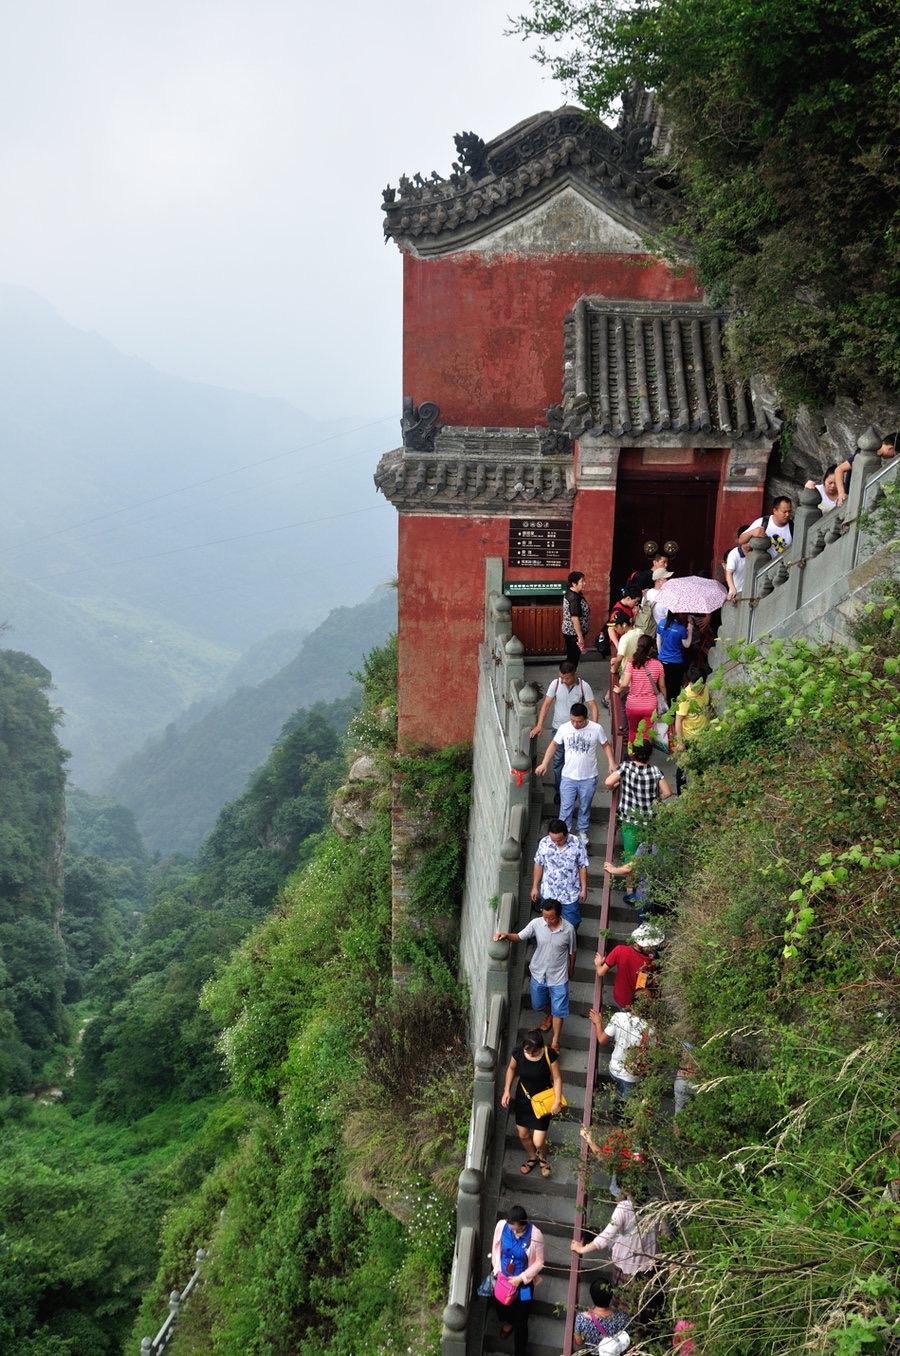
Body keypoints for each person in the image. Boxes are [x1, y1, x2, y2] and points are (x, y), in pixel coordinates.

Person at [495, 900, 577, 1050]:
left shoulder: (569, 930)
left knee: (559, 1010)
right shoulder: (536, 924)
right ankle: (550, 1014)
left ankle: (555, 1041)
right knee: (538, 1004)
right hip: (539, 973)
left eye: (551, 918)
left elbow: (572, 952)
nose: (547, 920)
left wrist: (571, 968)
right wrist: (506, 935)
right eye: (545, 917)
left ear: (559, 915)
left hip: (559, 976)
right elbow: (519, 937)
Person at [535, 702, 616, 844]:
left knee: (585, 805)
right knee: (566, 807)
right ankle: (563, 833)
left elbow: (605, 745)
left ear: (586, 718)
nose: (575, 724)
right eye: (572, 720)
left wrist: (611, 762)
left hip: (589, 776)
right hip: (568, 776)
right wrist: (544, 763)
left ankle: (582, 831)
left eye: (579, 721)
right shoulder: (564, 728)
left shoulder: (596, 728)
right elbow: (554, 745)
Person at [500, 1027, 564, 1178]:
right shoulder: (518, 1052)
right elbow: (511, 1069)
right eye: (526, 1050)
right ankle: (532, 1157)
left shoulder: (549, 1054)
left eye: (531, 1051)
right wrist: (507, 1090)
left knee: (538, 1140)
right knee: (523, 1134)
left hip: (543, 1101)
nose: (528, 1053)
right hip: (524, 1098)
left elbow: (557, 1078)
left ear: (539, 1048)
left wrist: (557, 1100)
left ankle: (543, 1159)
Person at [529, 662, 598, 800]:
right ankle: (561, 792)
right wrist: (539, 725)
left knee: (575, 759)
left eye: (566, 678)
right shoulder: (555, 684)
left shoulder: (584, 687)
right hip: (558, 729)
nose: (563, 680)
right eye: (561, 677)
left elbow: (593, 707)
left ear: (574, 674)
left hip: (577, 730)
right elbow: (546, 704)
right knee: (558, 761)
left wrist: (594, 727)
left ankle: (573, 788)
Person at [490, 1204, 545, 1354]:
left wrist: (521, 1278)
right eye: (510, 1225)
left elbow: (540, 1262)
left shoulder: (535, 1235)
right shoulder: (502, 1226)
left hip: (523, 1284)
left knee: (522, 1316)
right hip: (503, 1279)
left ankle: (520, 1350)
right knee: (501, 1304)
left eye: (515, 1227)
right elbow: (496, 1247)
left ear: (522, 1224)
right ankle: (508, 1322)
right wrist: (497, 1269)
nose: (512, 1229)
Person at [570, 1192, 659, 1285]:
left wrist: (582, 1249)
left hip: (626, 1264)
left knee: (621, 1293)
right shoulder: (656, 1204)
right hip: (648, 1264)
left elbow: (605, 1237)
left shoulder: (625, 1207)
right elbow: (666, 1234)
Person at [605, 741, 672, 860]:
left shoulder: (626, 766)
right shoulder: (655, 770)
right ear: (650, 754)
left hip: (630, 819)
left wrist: (614, 785)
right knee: (647, 855)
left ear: (633, 753)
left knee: (630, 857)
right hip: (649, 820)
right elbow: (667, 792)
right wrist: (656, 800)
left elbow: (608, 782)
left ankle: (630, 878)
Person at [589, 994, 652, 1101]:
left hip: (614, 1068)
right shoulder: (650, 1029)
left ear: (631, 1005)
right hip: (632, 1075)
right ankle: (618, 1113)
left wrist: (598, 1023)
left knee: (617, 1091)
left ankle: (616, 1103)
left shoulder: (618, 1017)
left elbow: (602, 1040)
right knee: (626, 1103)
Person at [532, 818, 589, 931]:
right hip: (549, 892)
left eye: (559, 840)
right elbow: (539, 864)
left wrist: (584, 888)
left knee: (572, 924)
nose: (556, 843)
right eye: (553, 840)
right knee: (548, 923)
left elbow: (582, 866)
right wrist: (535, 886)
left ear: (566, 834)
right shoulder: (544, 843)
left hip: (570, 893)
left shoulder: (576, 843)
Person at [595, 923, 664, 1009]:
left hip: (621, 997)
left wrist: (598, 964)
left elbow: (600, 972)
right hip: (639, 1002)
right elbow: (651, 983)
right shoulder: (649, 962)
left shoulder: (619, 950)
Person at [616, 634, 666, 748]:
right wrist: (664, 699)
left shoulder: (632, 663)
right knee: (646, 734)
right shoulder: (658, 665)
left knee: (632, 731)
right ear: (651, 648)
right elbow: (662, 686)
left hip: (633, 705)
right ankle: (643, 757)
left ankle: (632, 755)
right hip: (650, 706)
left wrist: (618, 688)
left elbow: (624, 683)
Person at [834, 431, 897, 506]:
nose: (893, 456)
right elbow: (839, 470)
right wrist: (841, 493)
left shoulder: (877, 457)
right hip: (850, 497)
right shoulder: (864, 454)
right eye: (895, 454)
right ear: (891, 448)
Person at [674, 664, 710, 792]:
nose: (699, 689)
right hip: (689, 739)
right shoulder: (685, 697)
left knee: (701, 768)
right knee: (683, 768)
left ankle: (700, 794)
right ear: (690, 682)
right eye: (697, 686)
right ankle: (681, 794)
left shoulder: (705, 688)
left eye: (701, 685)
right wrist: (680, 742)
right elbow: (678, 721)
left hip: (703, 738)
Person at [573, 1279, 630, 1348]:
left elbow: (578, 1342)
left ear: (592, 1296)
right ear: (611, 1295)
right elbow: (627, 1342)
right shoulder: (622, 1318)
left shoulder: (581, 1319)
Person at [656, 611, 693, 702]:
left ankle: (663, 707)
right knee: (674, 689)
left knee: (663, 685)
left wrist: (661, 655)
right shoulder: (681, 629)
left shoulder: (661, 623)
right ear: (678, 614)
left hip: (662, 661)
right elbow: (687, 644)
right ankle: (673, 711)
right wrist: (690, 630)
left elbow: (658, 641)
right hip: (676, 663)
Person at [562, 570, 591, 666]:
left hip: (571, 633)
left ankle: (569, 677)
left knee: (573, 657)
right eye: (582, 581)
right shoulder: (574, 598)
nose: (584, 583)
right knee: (573, 658)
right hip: (573, 634)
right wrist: (580, 636)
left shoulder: (574, 594)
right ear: (574, 584)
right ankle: (567, 678)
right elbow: (575, 618)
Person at [724, 527, 752, 601]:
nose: (749, 543)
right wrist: (733, 588)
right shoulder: (734, 554)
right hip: (737, 594)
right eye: (747, 540)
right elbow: (729, 573)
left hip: (750, 593)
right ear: (741, 540)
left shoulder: (755, 552)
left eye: (751, 539)